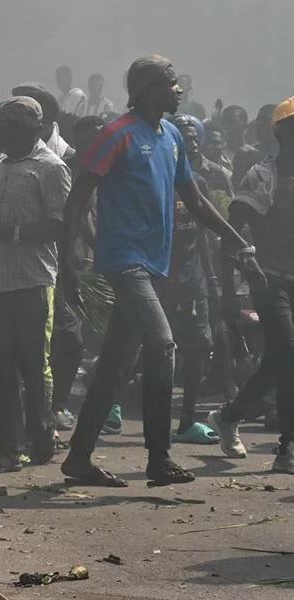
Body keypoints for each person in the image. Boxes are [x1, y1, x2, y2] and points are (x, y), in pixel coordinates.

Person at [58, 55, 263, 487]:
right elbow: (77, 199)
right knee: (163, 345)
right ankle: (159, 456)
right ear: (147, 87)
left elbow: (196, 199)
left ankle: (78, 457)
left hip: (154, 266)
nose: (179, 89)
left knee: (114, 363)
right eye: (170, 83)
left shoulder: (171, 135)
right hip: (124, 261)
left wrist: (236, 240)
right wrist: (68, 265)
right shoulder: (116, 134)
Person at [0, 97, 72, 471]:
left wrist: (13, 233)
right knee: (0, 366)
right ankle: (8, 444)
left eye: (0, 125)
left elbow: (61, 224)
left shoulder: (51, 168)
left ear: (22, 129)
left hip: (32, 281)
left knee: (32, 365)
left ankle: (40, 433)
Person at [210, 97, 294, 474]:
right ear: (280, 132)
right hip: (269, 278)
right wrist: (231, 284)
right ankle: (288, 448)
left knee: (278, 361)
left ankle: (230, 416)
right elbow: (232, 228)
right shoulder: (264, 176)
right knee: (290, 354)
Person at [164, 115, 220, 446]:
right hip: (157, 280)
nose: (193, 142)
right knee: (142, 350)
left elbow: (201, 234)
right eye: (185, 137)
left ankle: (186, 421)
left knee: (198, 349)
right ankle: (111, 407)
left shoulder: (199, 182)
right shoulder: (153, 179)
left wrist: (210, 278)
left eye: (195, 136)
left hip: (192, 281)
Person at [52, 115, 104, 431]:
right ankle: (55, 404)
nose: (93, 145)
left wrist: (100, 252)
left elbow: (86, 219)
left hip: (80, 264)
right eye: (88, 140)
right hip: (57, 266)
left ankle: (59, 402)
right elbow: (71, 218)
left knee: (79, 336)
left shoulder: (99, 168)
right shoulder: (65, 170)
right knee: (68, 336)